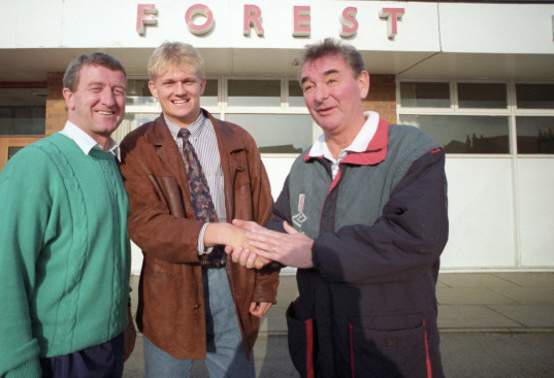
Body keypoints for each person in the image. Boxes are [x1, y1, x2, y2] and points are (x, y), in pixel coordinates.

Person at [231, 38, 449, 378]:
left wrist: (316, 253)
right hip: (322, 342)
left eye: (332, 80)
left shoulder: (413, 152)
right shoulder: (305, 163)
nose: (320, 95)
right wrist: (260, 244)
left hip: (387, 347)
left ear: (362, 84)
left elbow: (414, 239)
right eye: (309, 85)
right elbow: (285, 222)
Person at [0, 52, 136, 378]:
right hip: (58, 358)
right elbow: (3, 279)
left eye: (118, 91)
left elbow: (111, 256)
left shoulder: (112, 165)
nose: (109, 100)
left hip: (108, 348)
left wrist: (124, 319)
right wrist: (16, 368)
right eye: (96, 88)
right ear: (69, 97)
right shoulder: (35, 166)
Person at [119, 41, 279, 378]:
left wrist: (265, 283)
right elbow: (144, 224)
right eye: (169, 83)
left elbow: (266, 214)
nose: (180, 91)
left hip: (233, 280)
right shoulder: (136, 147)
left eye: (188, 81)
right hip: (168, 288)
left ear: (202, 84)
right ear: (153, 88)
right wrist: (214, 231)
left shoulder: (238, 139)